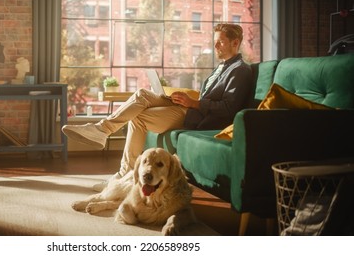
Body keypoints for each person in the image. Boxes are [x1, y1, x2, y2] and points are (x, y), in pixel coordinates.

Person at [62, 23, 253, 191]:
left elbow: (229, 108)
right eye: (215, 41)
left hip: (197, 117)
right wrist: (180, 98)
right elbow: (208, 96)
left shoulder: (240, 70)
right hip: (191, 108)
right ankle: (101, 130)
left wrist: (193, 102)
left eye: (220, 42)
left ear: (235, 43)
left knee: (139, 118)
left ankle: (124, 175)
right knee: (142, 94)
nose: (215, 45)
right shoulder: (222, 67)